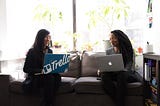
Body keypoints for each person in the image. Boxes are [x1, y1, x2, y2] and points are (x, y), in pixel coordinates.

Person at [23, 29, 61, 106]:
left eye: (49, 37)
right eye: (46, 37)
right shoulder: (32, 51)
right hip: (36, 77)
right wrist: (41, 70)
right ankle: (49, 103)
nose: (48, 39)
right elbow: (26, 69)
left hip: (46, 75)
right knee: (49, 77)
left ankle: (47, 102)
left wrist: (55, 68)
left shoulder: (50, 51)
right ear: (40, 38)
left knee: (57, 76)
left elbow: (49, 65)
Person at [100, 30, 137, 106]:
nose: (111, 41)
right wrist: (102, 69)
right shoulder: (109, 51)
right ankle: (120, 102)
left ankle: (119, 103)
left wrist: (122, 70)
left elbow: (129, 65)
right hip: (114, 74)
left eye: (113, 38)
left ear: (120, 38)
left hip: (125, 74)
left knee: (121, 75)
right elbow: (108, 64)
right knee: (104, 75)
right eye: (110, 39)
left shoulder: (129, 50)